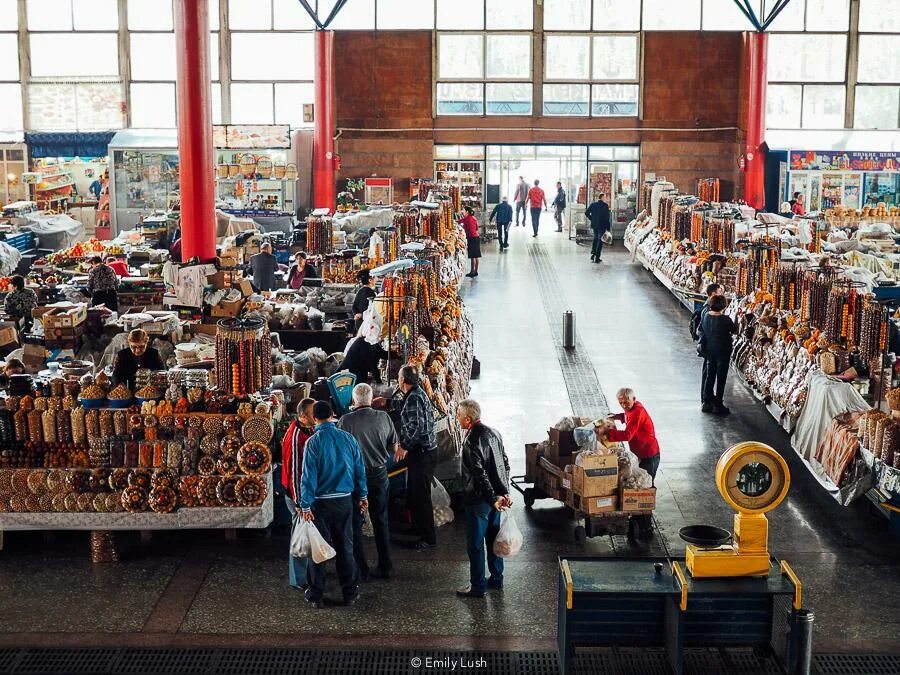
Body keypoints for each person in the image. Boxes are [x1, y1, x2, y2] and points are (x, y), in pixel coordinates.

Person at [299, 400, 368, 608]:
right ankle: (349, 593)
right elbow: (359, 470)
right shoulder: (348, 439)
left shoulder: (312, 442)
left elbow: (307, 477)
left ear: (314, 418)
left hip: (320, 505)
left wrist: (305, 506)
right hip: (345, 502)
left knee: (319, 550)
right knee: (346, 548)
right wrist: (363, 495)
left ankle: (316, 595)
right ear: (332, 415)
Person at [337, 383, 398, 581]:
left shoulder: (345, 421)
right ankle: (386, 567)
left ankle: (361, 570)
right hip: (380, 474)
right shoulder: (384, 417)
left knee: (355, 522)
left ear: (354, 401)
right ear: (372, 400)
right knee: (380, 520)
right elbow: (394, 445)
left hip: (355, 477)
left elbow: (340, 450)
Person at [456, 399, 512, 599]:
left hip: (480, 501)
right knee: (493, 539)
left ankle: (478, 586)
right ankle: (497, 579)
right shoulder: (494, 433)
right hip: (495, 500)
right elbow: (504, 463)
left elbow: (480, 474)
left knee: (476, 545)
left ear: (468, 419)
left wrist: (492, 498)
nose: (457, 419)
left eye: (459, 416)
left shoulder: (471, 440)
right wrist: (504, 493)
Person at [607, 388, 660, 539]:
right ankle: (638, 519)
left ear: (634, 399)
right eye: (621, 402)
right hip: (640, 454)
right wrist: (617, 416)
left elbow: (628, 434)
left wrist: (608, 433)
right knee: (638, 487)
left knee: (645, 489)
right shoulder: (632, 409)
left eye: (626, 401)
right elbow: (627, 415)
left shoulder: (638, 412)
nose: (624, 405)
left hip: (649, 455)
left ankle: (645, 525)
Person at [397, 364, 437, 551]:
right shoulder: (416, 393)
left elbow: (416, 427)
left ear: (403, 380)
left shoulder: (414, 397)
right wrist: (389, 403)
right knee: (414, 492)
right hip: (421, 452)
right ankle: (417, 528)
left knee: (421, 496)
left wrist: (403, 447)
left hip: (422, 453)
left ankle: (428, 538)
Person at [283, 398, 316, 590]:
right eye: (313, 414)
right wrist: (300, 503)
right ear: (303, 416)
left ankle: (307, 572)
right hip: (296, 496)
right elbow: (295, 472)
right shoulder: (296, 438)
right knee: (299, 537)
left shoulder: (306, 429)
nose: (316, 417)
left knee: (306, 533)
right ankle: (299, 579)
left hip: (303, 495)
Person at [699, 294, 737, 416]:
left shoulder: (705, 316)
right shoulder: (725, 320)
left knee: (710, 375)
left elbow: (701, 330)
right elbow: (734, 330)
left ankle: (707, 401)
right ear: (723, 306)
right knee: (721, 378)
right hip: (723, 352)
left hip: (709, 350)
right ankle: (718, 404)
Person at [586, 193, 612, 263]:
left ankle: (593, 254)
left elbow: (586, 212)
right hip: (602, 225)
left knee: (595, 238)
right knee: (600, 240)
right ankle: (597, 257)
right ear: (602, 198)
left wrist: (592, 218)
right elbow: (607, 218)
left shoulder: (593, 205)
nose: (606, 199)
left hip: (595, 225)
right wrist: (608, 228)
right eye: (605, 197)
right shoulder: (605, 206)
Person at [459, 206, 481, 278]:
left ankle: (472, 272)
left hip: (472, 238)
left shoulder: (466, 219)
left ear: (467, 212)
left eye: (463, 210)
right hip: (477, 237)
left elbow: (458, 222)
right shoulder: (474, 218)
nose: (462, 212)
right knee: (476, 255)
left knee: (472, 256)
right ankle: (476, 271)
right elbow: (477, 228)